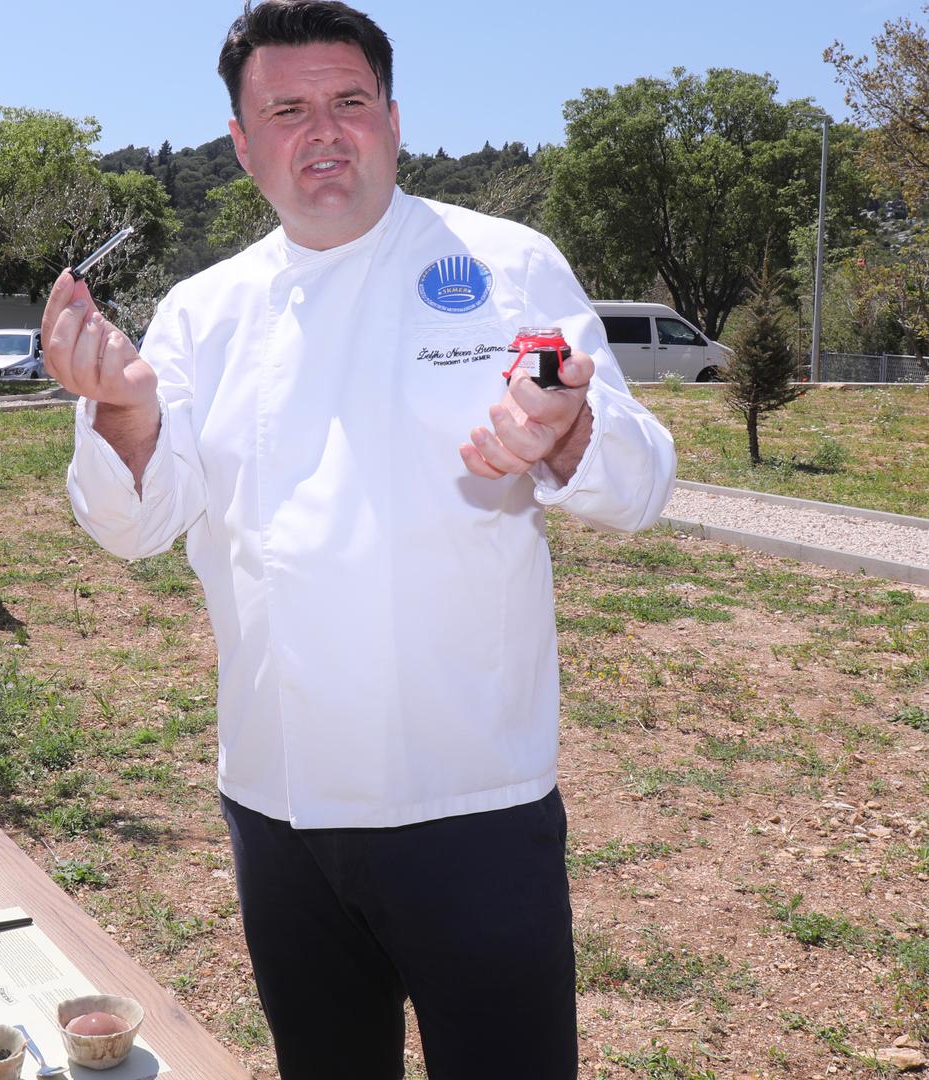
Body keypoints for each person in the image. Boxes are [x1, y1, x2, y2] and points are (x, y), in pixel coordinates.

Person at [41, 3, 676, 1077]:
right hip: (279, 800)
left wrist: (567, 432)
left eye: (348, 100)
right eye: (285, 110)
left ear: (392, 118)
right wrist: (123, 410)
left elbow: (643, 481)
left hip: (471, 795)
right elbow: (133, 524)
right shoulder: (202, 310)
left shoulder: (502, 265)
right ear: (241, 144)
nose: (323, 131)